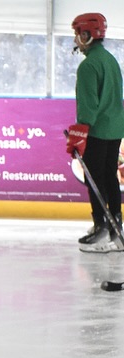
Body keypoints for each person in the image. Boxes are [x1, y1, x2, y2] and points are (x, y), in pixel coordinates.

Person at [69, 13, 124, 253]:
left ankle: (101, 228)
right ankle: (116, 227)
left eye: (77, 34)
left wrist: (79, 135)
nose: (76, 39)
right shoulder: (110, 60)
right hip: (115, 128)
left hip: (98, 130)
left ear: (86, 34)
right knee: (109, 176)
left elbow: (89, 105)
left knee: (95, 179)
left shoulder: (89, 65)